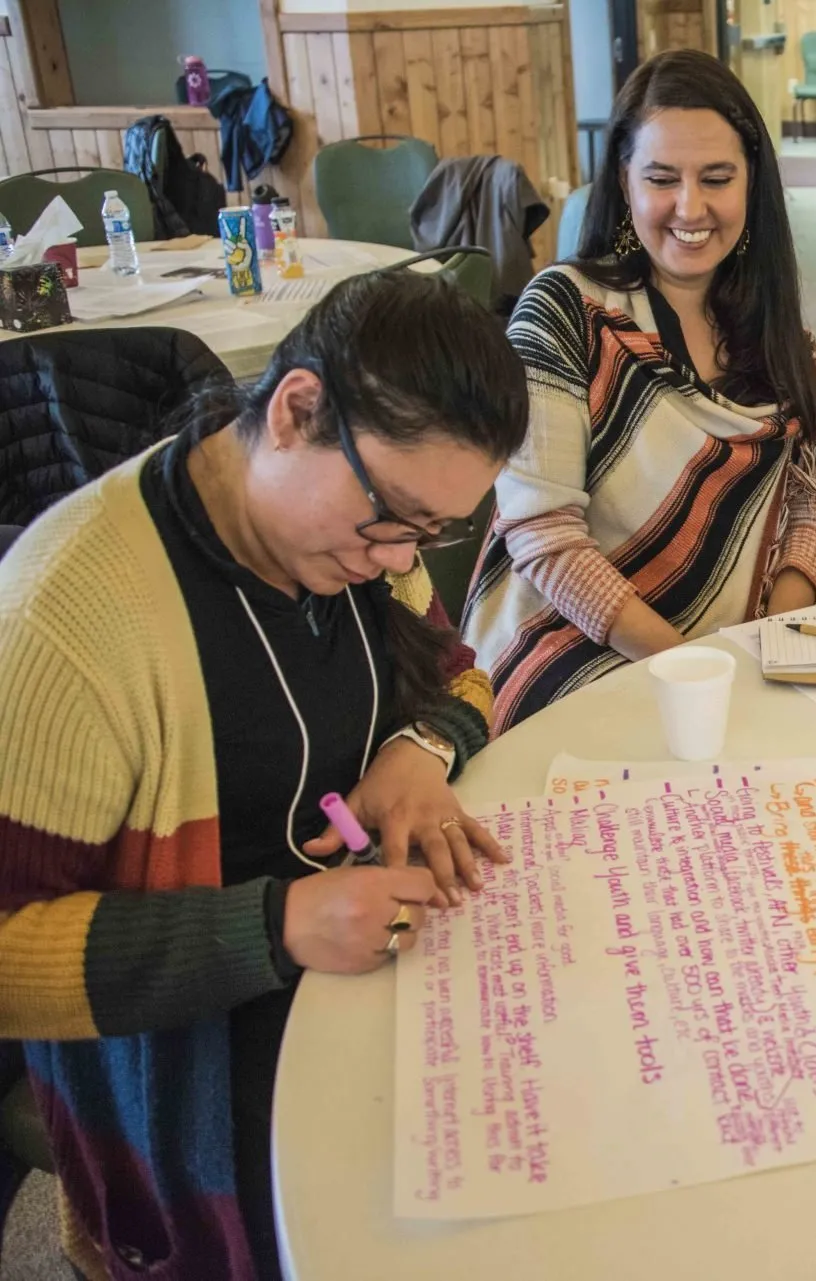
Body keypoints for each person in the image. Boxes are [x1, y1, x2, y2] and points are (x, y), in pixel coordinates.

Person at [0, 269, 529, 1279]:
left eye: (434, 532)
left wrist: (417, 753)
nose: (398, 560)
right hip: (184, 1055)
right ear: (295, 410)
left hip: (355, 965)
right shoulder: (67, 620)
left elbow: (463, 677)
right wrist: (276, 925)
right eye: (392, 518)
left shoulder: (353, 543)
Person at [464, 50, 816, 734]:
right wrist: (694, 671)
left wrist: (773, 648)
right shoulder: (565, 310)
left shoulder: (790, 346)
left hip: (726, 667)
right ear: (625, 182)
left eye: (717, 178)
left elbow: (811, 506)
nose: (689, 208)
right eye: (662, 178)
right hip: (562, 658)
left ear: (751, 184)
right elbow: (544, 536)